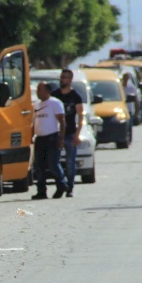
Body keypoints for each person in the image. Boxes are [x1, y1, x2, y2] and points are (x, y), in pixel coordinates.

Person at [31, 81, 68, 200]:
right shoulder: (37, 105)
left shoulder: (55, 103)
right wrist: (31, 135)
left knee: (53, 164)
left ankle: (61, 184)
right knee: (39, 166)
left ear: (47, 91)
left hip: (52, 137)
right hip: (40, 139)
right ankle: (41, 191)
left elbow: (62, 121)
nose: (37, 92)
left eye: (40, 89)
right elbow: (34, 122)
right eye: (37, 89)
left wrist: (61, 138)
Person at [54, 69, 84, 198]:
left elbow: (80, 116)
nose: (62, 79)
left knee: (70, 162)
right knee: (54, 162)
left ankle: (70, 188)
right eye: (61, 77)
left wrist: (77, 134)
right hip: (57, 134)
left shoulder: (75, 96)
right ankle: (61, 185)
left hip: (71, 134)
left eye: (65, 77)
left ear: (70, 80)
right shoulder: (55, 95)